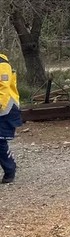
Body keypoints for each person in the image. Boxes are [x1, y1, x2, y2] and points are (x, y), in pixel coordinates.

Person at [0, 52, 22, 183]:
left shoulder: (2, 64)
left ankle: (9, 169)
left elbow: (3, 87)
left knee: (0, 141)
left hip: (5, 108)